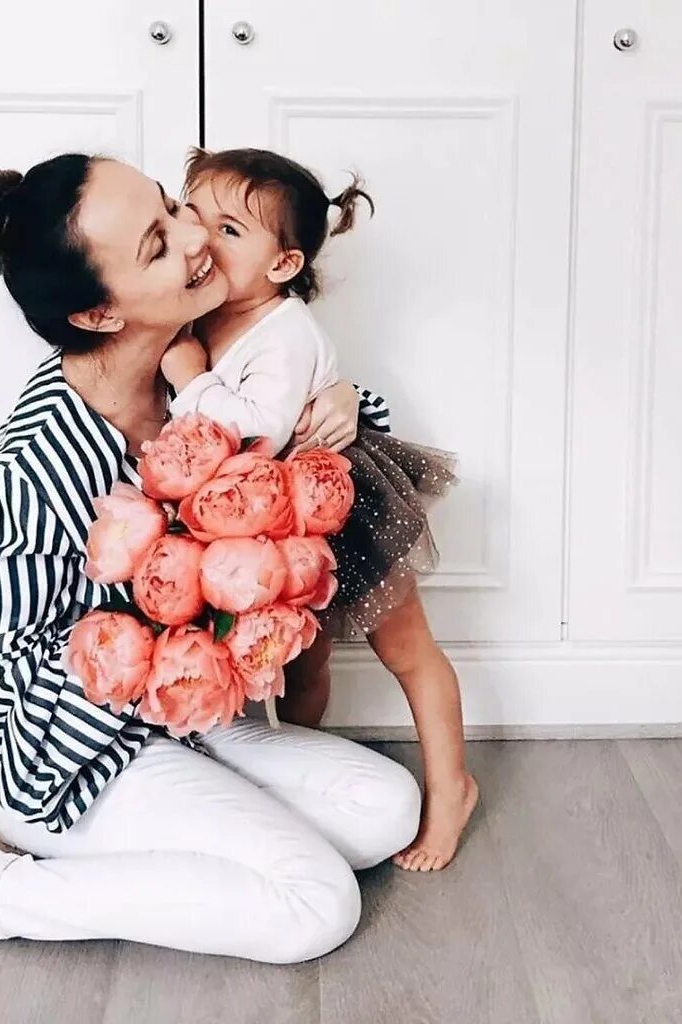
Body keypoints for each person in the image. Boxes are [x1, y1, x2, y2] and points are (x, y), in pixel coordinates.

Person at [0, 152, 420, 963]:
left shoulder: (209, 371)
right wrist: (159, 653)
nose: (197, 239)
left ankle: (197, 837)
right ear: (99, 315)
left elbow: (306, 447)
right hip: (58, 758)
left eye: (172, 207)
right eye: (159, 243)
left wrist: (343, 401)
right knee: (317, 904)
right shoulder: (26, 467)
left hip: (182, 721)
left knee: (387, 808)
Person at [160, 148, 478, 872]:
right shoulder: (204, 314)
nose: (203, 238)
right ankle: (297, 775)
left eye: (231, 230)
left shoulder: (286, 331)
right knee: (300, 666)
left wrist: (185, 372)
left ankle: (451, 787)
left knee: (408, 653)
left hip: (345, 507)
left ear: (282, 265)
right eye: (192, 214)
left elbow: (252, 433)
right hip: (279, 522)